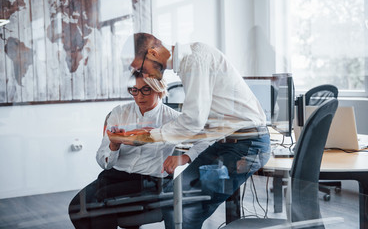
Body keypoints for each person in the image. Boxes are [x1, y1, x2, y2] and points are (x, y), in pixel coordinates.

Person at [117, 33, 271, 229]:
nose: (144, 76)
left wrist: (147, 136)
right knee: (175, 200)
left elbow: (194, 120)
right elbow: (210, 122)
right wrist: (188, 156)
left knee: (181, 206)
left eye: (141, 68)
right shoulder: (190, 61)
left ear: (153, 53)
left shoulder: (194, 60)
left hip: (246, 145)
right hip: (228, 143)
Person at [68, 71, 181, 229]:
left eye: (146, 90)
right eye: (134, 90)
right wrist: (114, 146)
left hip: (149, 180)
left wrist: (184, 158)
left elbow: (203, 140)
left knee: (99, 205)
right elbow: (103, 162)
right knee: (75, 209)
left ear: (160, 89)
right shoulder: (119, 113)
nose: (139, 96)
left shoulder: (174, 119)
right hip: (114, 175)